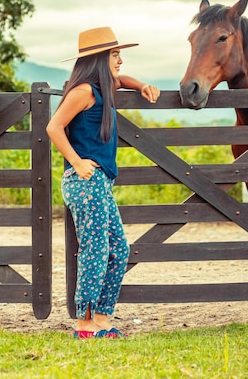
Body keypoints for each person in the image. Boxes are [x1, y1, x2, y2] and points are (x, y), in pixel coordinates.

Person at [46, 26, 160, 338]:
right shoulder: (82, 91)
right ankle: (83, 324)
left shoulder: (102, 87)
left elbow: (122, 80)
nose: (120, 60)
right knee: (95, 248)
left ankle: (102, 316)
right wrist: (77, 161)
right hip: (85, 180)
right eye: (114, 54)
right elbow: (54, 127)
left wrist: (142, 85)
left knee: (119, 249)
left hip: (100, 182)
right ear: (98, 59)